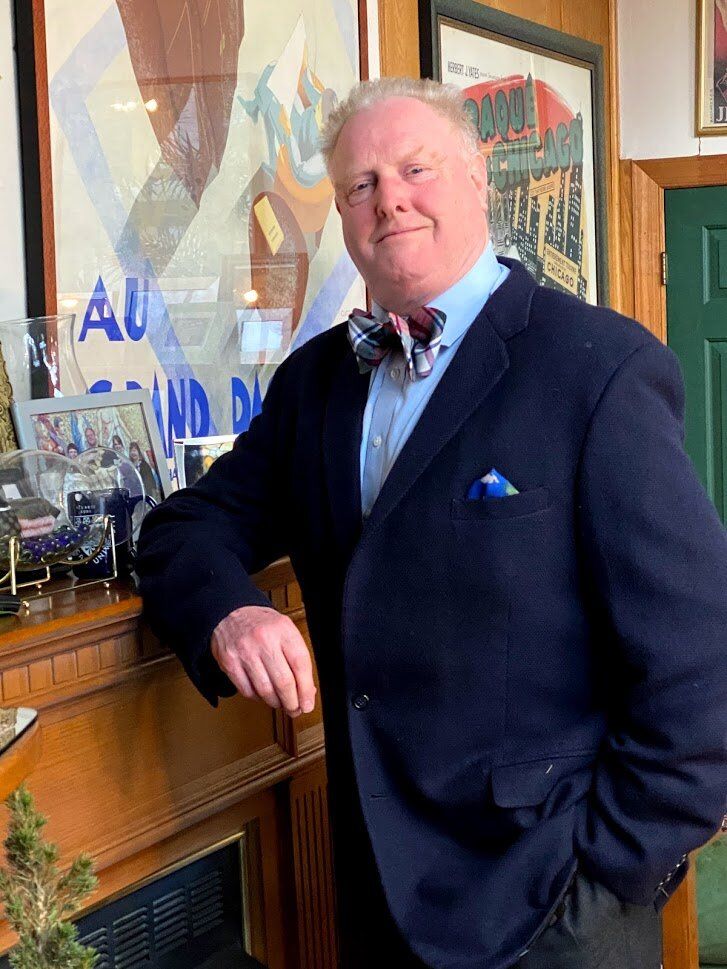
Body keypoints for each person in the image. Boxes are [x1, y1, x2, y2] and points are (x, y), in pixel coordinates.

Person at [136, 78, 727, 969]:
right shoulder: (313, 386)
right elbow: (183, 527)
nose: (390, 200)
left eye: (415, 168)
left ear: (478, 177)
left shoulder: (597, 368)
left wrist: (611, 873)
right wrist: (231, 610)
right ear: (340, 210)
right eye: (361, 184)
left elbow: (699, 662)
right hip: (373, 894)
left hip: (551, 906)